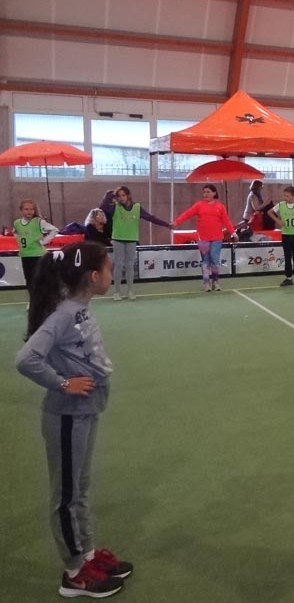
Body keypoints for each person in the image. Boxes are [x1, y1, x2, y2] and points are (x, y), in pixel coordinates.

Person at [15, 242, 133, 599]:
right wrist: (64, 383)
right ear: (94, 276)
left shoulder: (79, 306)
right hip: (67, 415)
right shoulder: (64, 313)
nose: (112, 274)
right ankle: (74, 573)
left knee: (79, 488)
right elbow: (26, 359)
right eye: (108, 269)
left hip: (85, 410)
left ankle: (87, 554)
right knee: (66, 495)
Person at [102, 186, 172, 301]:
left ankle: (130, 291)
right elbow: (103, 208)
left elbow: (150, 218)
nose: (121, 198)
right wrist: (111, 194)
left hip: (131, 239)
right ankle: (116, 292)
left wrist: (166, 224)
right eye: (118, 196)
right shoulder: (115, 207)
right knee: (118, 265)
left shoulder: (137, 207)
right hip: (118, 239)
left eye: (123, 195)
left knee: (130, 266)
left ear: (128, 195)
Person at [173, 184, 237, 292]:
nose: (205, 194)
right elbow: (187, 214)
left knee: (215, 260)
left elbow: (226, 221)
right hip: (203, 238)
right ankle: (206, 283)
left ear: (214, 193)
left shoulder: (220, 207)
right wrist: (176, 222)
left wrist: (233, 233)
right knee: (205, 260)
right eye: (204, 192)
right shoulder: (199, 205)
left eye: (208, 192)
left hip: (217, 238)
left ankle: (215, 282)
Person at [15, 199, 59, 295]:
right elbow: (16, 232)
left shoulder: (38, 222)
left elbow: (54, 230)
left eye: (32, 209)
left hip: (38, 255)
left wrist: (44, 241)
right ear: (21, 210)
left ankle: (45, 299)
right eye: (26, 209)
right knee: (29, 280)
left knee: (40, 279)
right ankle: (33, 300)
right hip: (25, 255)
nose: (29, 211)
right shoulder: (17, 223)